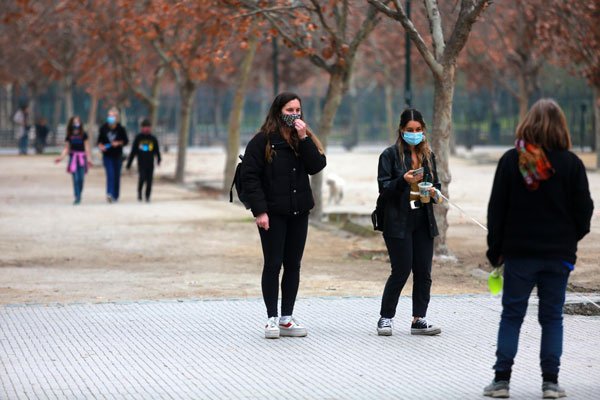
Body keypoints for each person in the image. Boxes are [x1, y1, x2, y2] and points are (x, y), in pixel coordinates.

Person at [484, 99, 593, 399]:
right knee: (552, 317)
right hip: (558, 255)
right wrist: (570, 240)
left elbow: (497, 209)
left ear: (527, 123)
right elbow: (584, 210)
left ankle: (501, 380)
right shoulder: (572, 164)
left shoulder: (510, 161)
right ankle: (550, 383)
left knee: (512, 315)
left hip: (519, 254)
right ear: (562, 127)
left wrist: (496, 251)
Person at [241, 92, 326, 339]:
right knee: (273, 263)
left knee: (293, 265)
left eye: (297, 110)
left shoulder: (303, 137)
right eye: (289, 110)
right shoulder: (262, 141)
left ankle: (287, 318)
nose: (294, 115)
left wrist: (304, 138)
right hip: (272, 214)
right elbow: (250, 177)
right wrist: (260, 211)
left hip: (299, 211)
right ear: (278, 111)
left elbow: (316, 166)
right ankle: (271, 318)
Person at [376, 108, 443, 337]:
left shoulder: (428, 155)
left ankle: (419, 318)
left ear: (423, 130)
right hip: (397, 220)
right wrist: (402, 181)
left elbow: (438, 185)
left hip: (423, 219)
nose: (414, 134)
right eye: (409, 130)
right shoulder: (389, 155)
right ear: (401, 131)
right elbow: (384, 189)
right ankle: (386, 318)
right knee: (401, 270)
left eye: (418, 130)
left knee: (424, 271)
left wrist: (435, 192)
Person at [54, 116, 93, 205]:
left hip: (82, 158)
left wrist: (89, 159)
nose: (76, 123)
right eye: (74, 122)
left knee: (81, 179)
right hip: (73, 158)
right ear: (71, 123)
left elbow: (87, 147)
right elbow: (66, 148)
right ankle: (77, 196)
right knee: (75, 178)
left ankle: (79, 193)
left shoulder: (84, 135)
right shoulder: (69, 135)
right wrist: (61, 157)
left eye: (77, 121)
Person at [97, 107, 128, 203]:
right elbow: (99, 141)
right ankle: (109, 194)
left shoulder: (121, 129)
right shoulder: (103, 128)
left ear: (117, 117)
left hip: (117, 155)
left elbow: (126, 141)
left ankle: (116, 195)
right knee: (110, 174)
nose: (110, 117)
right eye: (109, 116)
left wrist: (118, 143)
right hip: (107, 155)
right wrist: (101, 146)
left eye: (112, 116)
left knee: (116, 175)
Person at [126, 119, 161, 202]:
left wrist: (159, 159)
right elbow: (133, 151)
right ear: (141, 128)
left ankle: (147, 196)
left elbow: (157, 150)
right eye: (145, 127)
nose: (146, 129)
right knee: (142, 178)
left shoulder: (153, 139)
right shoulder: (138, 138)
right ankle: (139, 192)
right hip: (141, 163)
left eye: (148, 127)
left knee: (149, 180)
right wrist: (129, 163)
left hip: (150, 163)